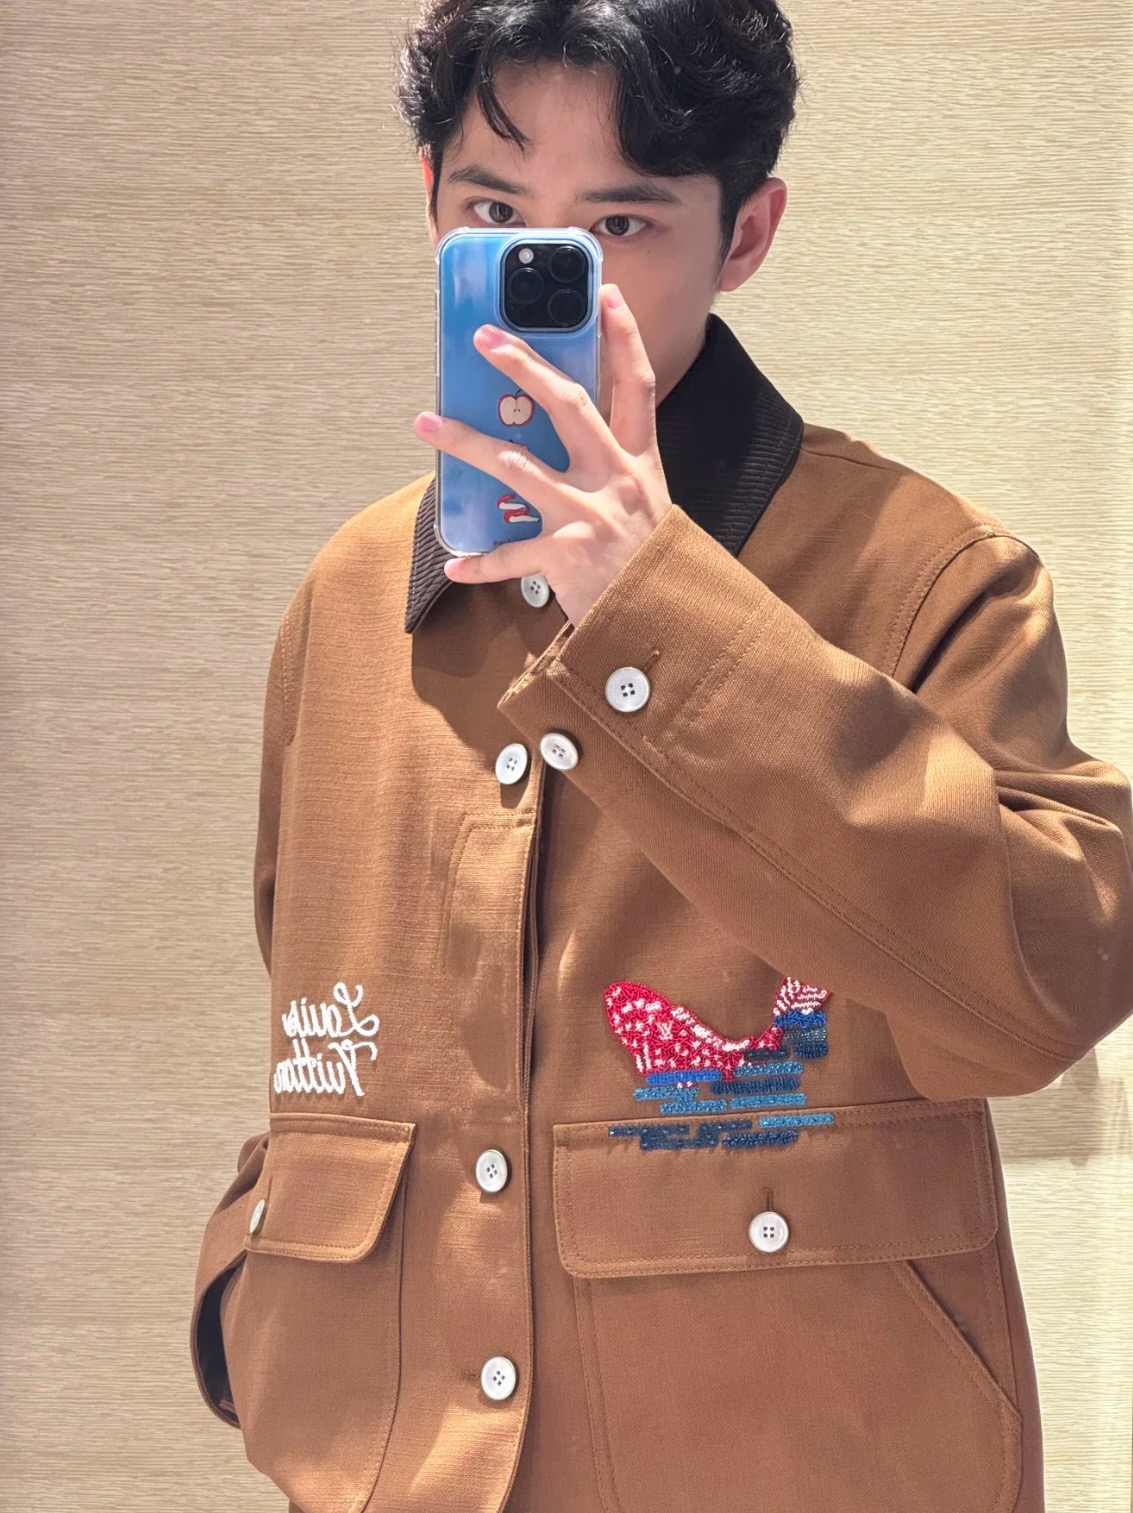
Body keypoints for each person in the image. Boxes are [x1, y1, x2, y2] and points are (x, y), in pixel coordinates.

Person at [188, 3, 1133, 1511]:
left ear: (743, 233)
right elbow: (322, 1030)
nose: (545, 280)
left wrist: (656, 616)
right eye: (495, 215)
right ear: (429, 204)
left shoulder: (931, 575)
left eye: (617, 224)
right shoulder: (349, 599)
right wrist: (256, 1297)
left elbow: (1032, 995)